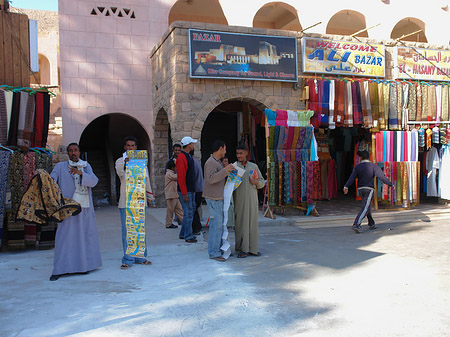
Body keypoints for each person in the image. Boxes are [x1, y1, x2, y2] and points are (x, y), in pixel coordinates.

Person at [49, 143, 102, 281]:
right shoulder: (60, 167)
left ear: (79, 152)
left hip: (84, 209)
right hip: (68, 209)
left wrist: (81, 173)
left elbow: (94, 181)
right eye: (71, 150)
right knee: (64, 237)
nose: (74, 153)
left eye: (76, 150)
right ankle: (60, 269)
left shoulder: (86, 166)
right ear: (68, 153)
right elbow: (51, 181)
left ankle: (83, 266)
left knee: (83, 237)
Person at [115, 136, 155, 269]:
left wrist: (150, 197)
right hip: (126, 201)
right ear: (125, 147)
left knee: (139, 230)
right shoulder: (120, 161)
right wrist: (127, 164)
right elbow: (120, 173)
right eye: (128, 146)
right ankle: (128, 259)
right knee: (127, 231)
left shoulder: (141, 161)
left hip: (139, 200)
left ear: (136, 147)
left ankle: (141, 257)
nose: (130, 148)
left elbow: (146, 179)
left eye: (132, 146)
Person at [343, 150, 394, 233]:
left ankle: (371, 223)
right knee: (366, 207)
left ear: (361, 158)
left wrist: (346, 186)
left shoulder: (357, 167)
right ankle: (356, 224)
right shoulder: (373, 166)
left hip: (360, 189)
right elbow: (382, 177)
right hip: (369, 189)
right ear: (369, 157)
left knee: (367, 205)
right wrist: (390, 184)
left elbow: (352, 177)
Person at [203, 140, 235, 261]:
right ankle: (214, 252)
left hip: (218, 197)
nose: (226, 151)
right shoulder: (211, 162)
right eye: (225, 149)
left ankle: (220, 249)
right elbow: (211, 179)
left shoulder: (216, 162)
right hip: (214, 198)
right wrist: (226, 170)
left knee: (219, 226)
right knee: (216, 226)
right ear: (220, 149)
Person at [233, 144, 265, 258]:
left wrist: (256, 182)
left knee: (252, 224)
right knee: (241, 224)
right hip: (239, 200)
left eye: (241, 153)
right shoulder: (234, 167)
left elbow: (262, 182)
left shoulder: (254, 166)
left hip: (252, 200)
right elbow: (230, 185)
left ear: (246, 153)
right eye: (237, 154)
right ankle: (242, 249)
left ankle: (252, 249)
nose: (239, 156)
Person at [176, 136, 198, 243]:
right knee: (188, 212)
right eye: (192, 143)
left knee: (189, 211)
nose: (193, 145)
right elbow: (181, 177)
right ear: (189, 144)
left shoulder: (187, 156)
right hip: (186, 191)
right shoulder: (182, 157)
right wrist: (184, 193)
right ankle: (188, 236)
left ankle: (184, 233)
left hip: (190, 189)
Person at [165, 159, 183, 229]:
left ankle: (184, 221)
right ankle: (168, 223)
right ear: (172, 167)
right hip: (171, 195)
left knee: (179, 209)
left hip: (174, 194)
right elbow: (176, 177)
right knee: (170, 210)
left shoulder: (171, 173)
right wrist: (181, 172)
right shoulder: (169, 174)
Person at [192, 153, 204, 235]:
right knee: (195, 209)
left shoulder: (192, 162)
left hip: (196, 189)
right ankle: (198, 226)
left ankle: (196, 228)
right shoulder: (195, 161)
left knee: (193, 209)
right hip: (199, 188)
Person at [222, 156, 235, 229]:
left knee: (231, 206)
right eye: (224, 161)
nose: (226, 163)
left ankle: (231, 223)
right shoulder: (221, 171)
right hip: (222, 191)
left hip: (230, 190)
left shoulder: (231, 171)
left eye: (227, 161)